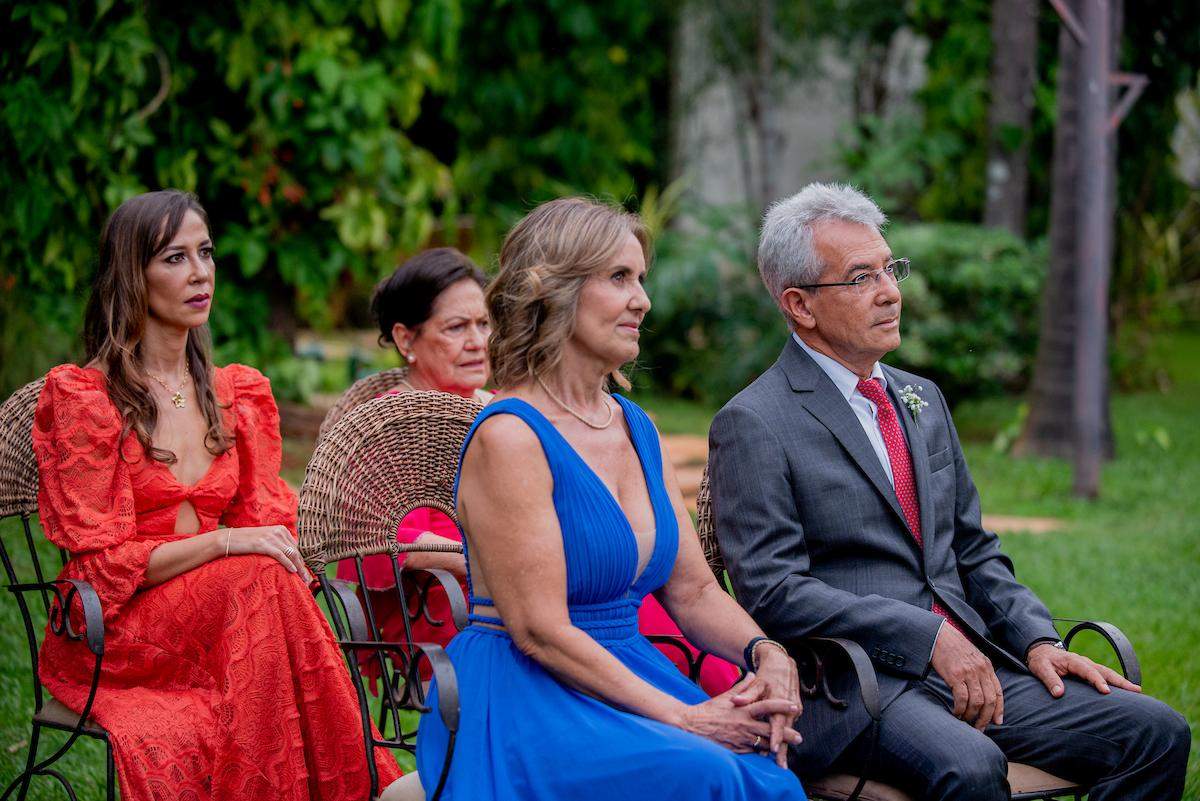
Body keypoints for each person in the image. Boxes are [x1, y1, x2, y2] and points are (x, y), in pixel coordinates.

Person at [708, 182, 1191, 800]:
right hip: (855, 684)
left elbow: (971, 545)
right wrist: (925, 636)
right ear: (800, 305)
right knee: (971, 767)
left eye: (890, 269)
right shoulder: (755, 422)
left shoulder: (920, 397)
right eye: (861, 278)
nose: (890, 293)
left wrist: (1036, 638)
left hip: (972, 662)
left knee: (1155, 732)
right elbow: (774, 591)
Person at [416, 197, 807, 801]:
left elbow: (694, 590)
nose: (643, 300)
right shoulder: (511, 437)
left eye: (641, 279)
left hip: (627, 671)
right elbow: (539, 631)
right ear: (555, 292)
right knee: (711, 776)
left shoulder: (634, 424)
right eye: (619, 278)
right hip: (528, 694)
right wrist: (686, 718)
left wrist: (766, 651)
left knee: (766, 774)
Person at [32, 190, 402, 800]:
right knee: (256, 574)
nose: (200, 272)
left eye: (205, 253)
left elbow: (272, 532)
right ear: (132, 275)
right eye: (174, 258)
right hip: (123, 631)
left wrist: (252, 543)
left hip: (226, 625)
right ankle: (363, 786)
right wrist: (226, 541)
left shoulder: (234, 393)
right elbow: (100, 567)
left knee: (265, 575)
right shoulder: (86, 399)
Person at [346, 248, 740, 695]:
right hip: (457, 605)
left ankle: (725, 702)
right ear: (404, 339)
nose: (477, 341)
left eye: (483, 324)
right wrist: (521, 561)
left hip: (559, 579)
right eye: (456, 328)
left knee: (648, 607)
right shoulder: (387, 426)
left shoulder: (510, 405)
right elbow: (392, 545)